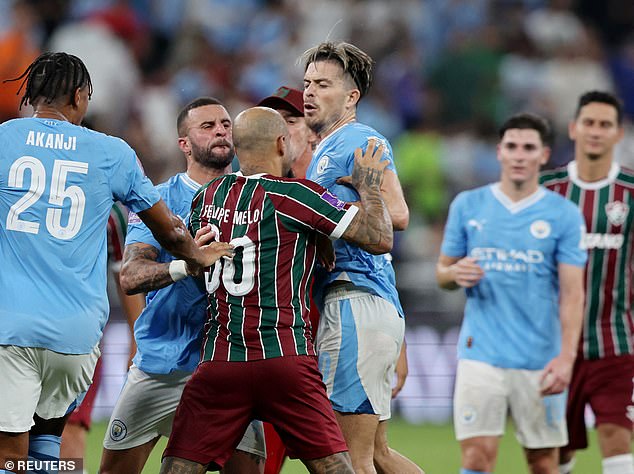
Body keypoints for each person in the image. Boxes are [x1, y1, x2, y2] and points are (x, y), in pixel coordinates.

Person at [0, 52, 231, 471]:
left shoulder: (4, 139)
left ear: (32, 95)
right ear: (79, 96)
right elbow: (170, 231)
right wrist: (197, 255)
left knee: (8, 457)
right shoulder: (112, 153)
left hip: (11, 327)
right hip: (78, 335)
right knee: (47, 445)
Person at [160, 107, 394, 474]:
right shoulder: (296, 195)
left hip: (220, 362)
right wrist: (369, 187)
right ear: (283, 143)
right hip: (284, 359)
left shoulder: (207, 198)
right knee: (336, 467)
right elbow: (379, 237)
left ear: (236, 147)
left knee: (177, 467)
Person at [99, 97, 265, 474]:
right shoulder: (160, 201)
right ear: (184, 144)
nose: (221, 131)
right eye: (207, 126)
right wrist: (186, 264)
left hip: (229, 366)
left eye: (225, 124)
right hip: (162, 365)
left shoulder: (255, 197)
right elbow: (131, 276)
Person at [436, 113, 587, 474]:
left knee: (543, 463)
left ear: (544, 155)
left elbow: (572, 294)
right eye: (513, 147)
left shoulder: (563, 215)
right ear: (499, 152)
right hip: (480, 353)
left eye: (529, 148)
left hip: (540, 358)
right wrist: (454, 273)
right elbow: (442, 273)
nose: (520, 155)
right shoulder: (467, 206)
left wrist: (566, 358)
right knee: (476, 457)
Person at [302, 41, 418, 474]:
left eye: (323, 85)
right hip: (364, 303)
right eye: (307, 83)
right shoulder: (326, 149)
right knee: (380, 455)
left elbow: (399, 214)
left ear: (351, 97)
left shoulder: (360, 138)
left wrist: (364, 195)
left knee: (351, 460)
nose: (309, 92)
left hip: (355, 300)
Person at [540, 91, 634, 474]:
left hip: (617, 341)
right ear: (574, 129)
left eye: (605, 125)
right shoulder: (547, 191)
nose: (596, 131)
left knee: (616, 436)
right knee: (557, 450)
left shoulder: (630, 193)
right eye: (590, 123)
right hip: (554, 346)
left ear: (618, 133)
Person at [60, 204, 146, 471]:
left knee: (65, 443)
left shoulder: (109, 211)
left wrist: (136, 339)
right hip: (28, 337)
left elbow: (124, 275)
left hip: (78, 340)